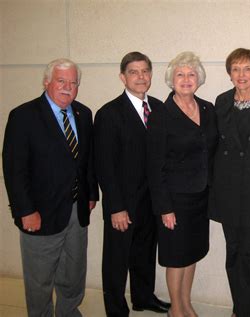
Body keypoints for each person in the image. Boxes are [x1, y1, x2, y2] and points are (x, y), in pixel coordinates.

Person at [2, 58, 99, 316]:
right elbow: (14, 170)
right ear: (47, 82)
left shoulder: (83, 113)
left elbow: (87, 161)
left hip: (77, 212)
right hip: (40, 213)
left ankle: (69, 312)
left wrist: (90, 195)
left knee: (73, 272)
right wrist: (25, 210)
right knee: (40, 279)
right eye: (61, 81)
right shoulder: (23, 116)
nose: (68, 87)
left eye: (73, 82)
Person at [94, 51, 170, 316]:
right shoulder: (109, 114)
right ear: (122, 77)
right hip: (123, 204)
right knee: (117, 261)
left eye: (145, 71)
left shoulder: (159, 108)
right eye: (134, 72)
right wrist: (116, 207)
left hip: (150, 202)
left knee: (145, 254)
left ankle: (143, 297)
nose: (141, 77)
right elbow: (104, 166)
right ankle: (116, 309)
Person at [147, 51, 218, 317]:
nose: (186, 79)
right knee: (176, 257)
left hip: (201, 197)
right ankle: (175, 309)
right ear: (171, 80)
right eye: (180, 74)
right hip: (174, 200)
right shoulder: (161, 114)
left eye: (191, 74)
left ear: (198, 78)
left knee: (192, 253)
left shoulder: (208, 109)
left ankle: (186, 303)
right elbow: (154, 167)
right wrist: (164, 207)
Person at [208, 48, 250, 317]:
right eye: (235, 69)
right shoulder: (222, 101)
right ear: (229, 73)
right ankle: (239, 308)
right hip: (227, 189)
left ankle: (248, 312)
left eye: (247, 68)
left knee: (249, 253)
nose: (241, 74)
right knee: (232, 251)